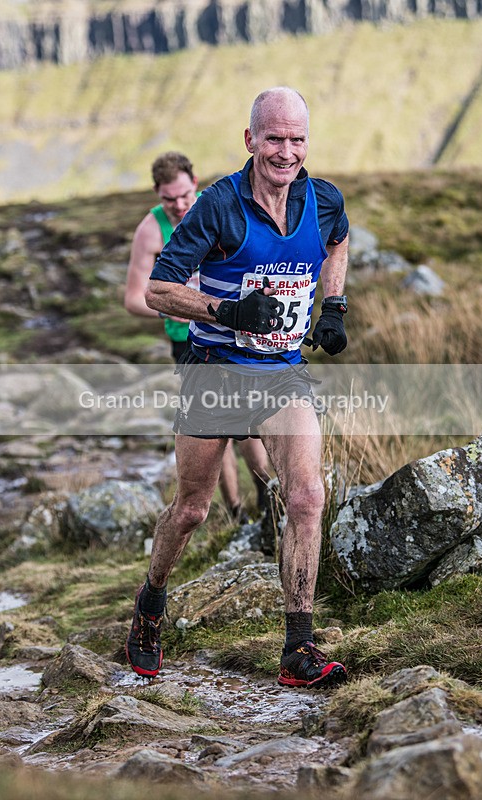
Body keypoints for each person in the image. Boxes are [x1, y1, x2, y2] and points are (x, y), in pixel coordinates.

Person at [126, 88, 349, 689]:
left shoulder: (322, 199)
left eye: (296, 139)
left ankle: (298, 648)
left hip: (282, 372)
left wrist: (335, 305)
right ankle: (151, 603)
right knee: (193, 508)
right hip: (214, 371)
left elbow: (338, 240)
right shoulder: (218, 207)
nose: (286, 151)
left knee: (305, 496)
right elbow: (158, 290)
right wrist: (227, 310)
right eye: (274, 138)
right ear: (250, 140)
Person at [124, 151, 269, 519]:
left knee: (248, 422)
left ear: (195, 183)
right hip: (187, 342)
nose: (178, 205)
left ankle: (268, 498)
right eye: (168, 199)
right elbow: (134, 298)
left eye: (185, 195)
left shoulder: (215, 207)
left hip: (232, 331)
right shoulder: (151, 230)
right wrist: (177, 305)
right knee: (212, 427)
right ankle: (235, 511)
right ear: (157, 193)